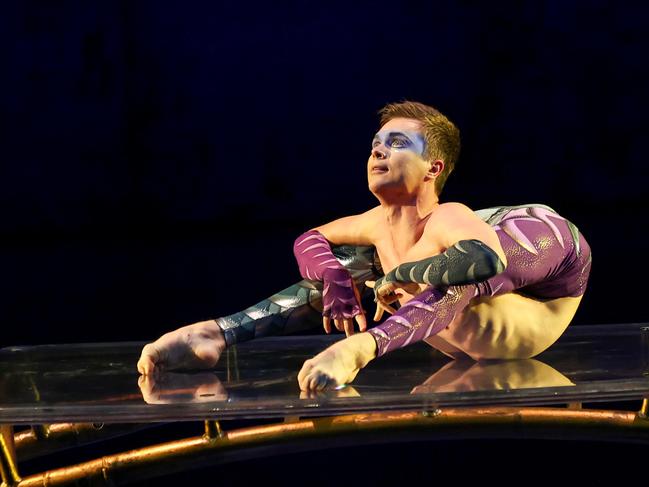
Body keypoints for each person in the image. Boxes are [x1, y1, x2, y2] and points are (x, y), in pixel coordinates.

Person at [138, 101, 591, 392]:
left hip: (545, 248)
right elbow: (310, 239)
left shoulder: (450, 215)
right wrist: (331, 276)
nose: (378, 153)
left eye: (396, 145)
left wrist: (397, 276)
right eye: (376, 145)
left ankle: (360, 349)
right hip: (469, 267)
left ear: (433, 168)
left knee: (453, 271)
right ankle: (214, 333)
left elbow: (485, 260)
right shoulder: (375, 223)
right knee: (355, 266)